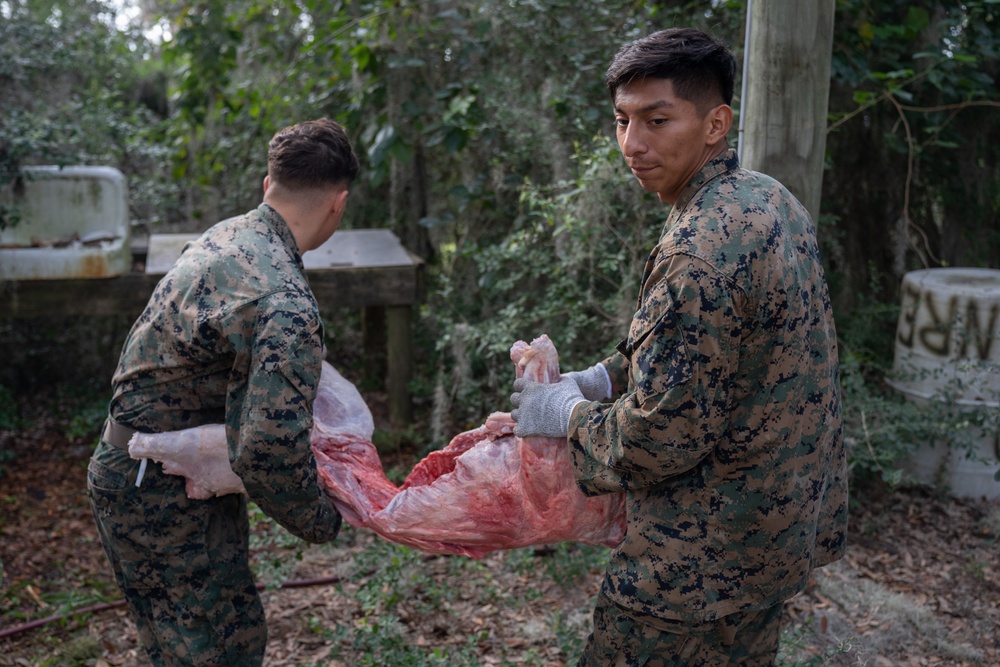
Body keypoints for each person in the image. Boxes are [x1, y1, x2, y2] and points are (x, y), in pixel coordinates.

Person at [510, 28, 848, 666]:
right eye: (622, 121)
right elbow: (728, 353)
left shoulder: (698, 248)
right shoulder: (767, 200)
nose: (632, 145)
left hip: (695, 564)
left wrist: (567, 413)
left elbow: (661, 435)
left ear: (716, 123)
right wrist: (599, 379)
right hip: (772, 538)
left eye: (657, 120)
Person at [86, 118, 359, 666]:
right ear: (338, 203)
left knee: (172, 647)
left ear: (268, 185)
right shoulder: (285, 299)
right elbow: (267, 452)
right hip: (164, 494)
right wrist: (327, 516)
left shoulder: (227, 235)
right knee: (222, 650)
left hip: (130, 473)